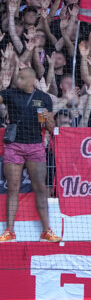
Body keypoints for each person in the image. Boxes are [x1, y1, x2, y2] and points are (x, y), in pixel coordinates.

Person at [0, 66, 60, 242]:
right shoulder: (10, 94)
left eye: (22, 77)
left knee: (40, 188)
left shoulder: (43, 98)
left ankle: (46, 231)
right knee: (13, 188)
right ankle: (9, 231)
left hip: (35, 146)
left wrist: (48, 118)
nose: (19, 80)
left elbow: (50, 128)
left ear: (32, 79)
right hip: (14, 146)